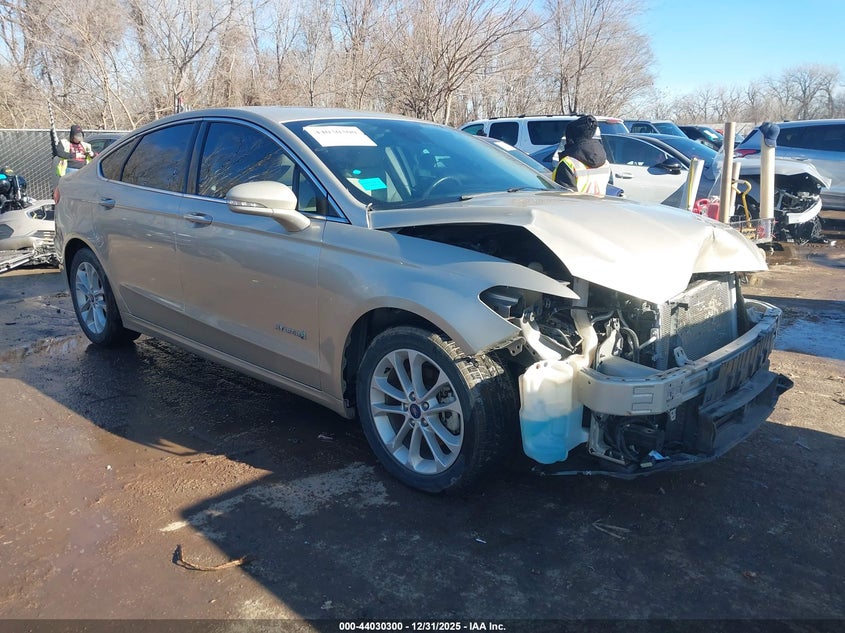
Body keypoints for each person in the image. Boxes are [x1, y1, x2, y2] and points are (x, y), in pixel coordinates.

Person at [552, 114, 611, 195]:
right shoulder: (604, 162)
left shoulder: (568, 163)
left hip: (576, 203)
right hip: (599, 202)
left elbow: (564, 197)